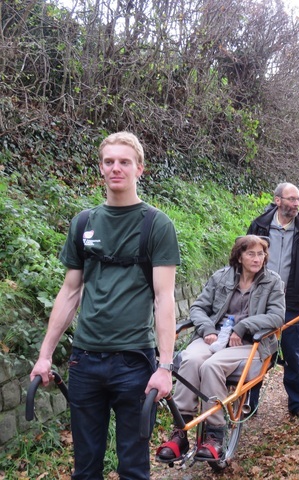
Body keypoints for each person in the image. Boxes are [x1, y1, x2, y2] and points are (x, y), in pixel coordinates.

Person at [30, 132, 181, 480]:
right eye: (109, 162)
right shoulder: (84, 223)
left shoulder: (156, 225)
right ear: (101, 168)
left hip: (134, 362)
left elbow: (164, 298)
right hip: (85, 360)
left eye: (124, 162)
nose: (116, 168)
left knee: (132, 466)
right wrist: (45, 355)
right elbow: (70, 292)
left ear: (139, 169)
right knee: (85, 468)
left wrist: (166, 365)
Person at [156, 235, 285, 461]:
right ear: (239, 256)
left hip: (249, 344)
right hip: (215, 338)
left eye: (261, 254)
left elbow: (277, 316)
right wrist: (207, 329)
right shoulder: (221, 277)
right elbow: (197, 308)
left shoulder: (272, 281)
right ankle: (180, 431)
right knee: (190, 360)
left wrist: (244, 326)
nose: (257, 259)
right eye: (251, 254)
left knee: (211, 366)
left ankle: (215, 435)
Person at [247, 182, 299, 418]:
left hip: (292, 299)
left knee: (293, 351)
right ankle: (250, 403)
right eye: (291, 199)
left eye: (298, 200)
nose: (295, 204)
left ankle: (298, 403)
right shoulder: (259, 225)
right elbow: (243, 256)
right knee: (256, 350)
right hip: (259, 297)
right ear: (277, 200)